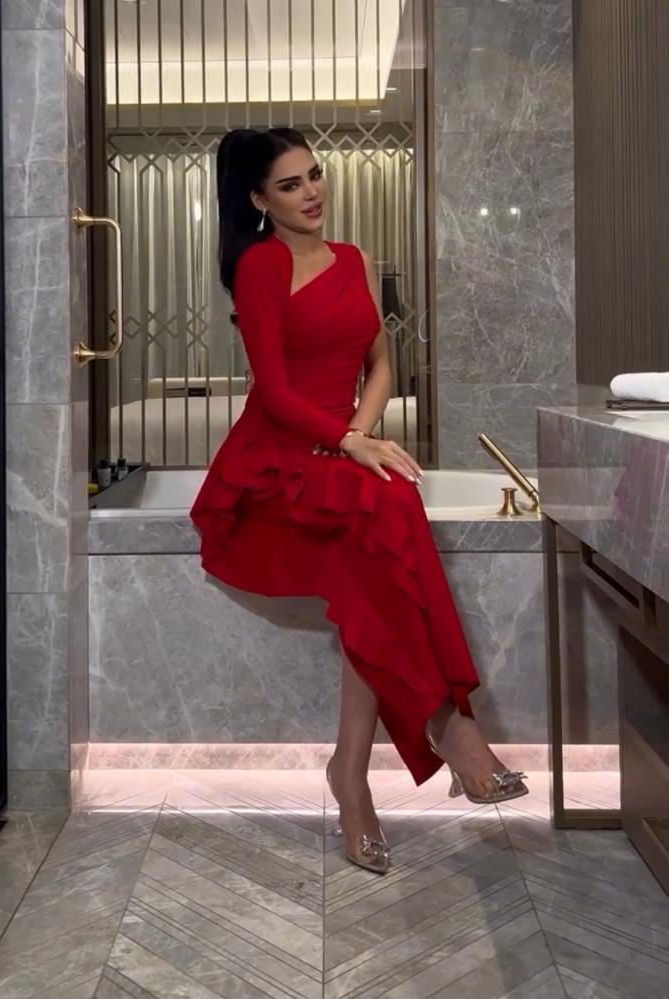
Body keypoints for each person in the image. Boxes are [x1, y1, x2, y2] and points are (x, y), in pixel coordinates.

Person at [190, 127, 527, 875]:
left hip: (337, 443)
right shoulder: (260, 265)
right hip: (275, 457)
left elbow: (381, 363)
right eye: (290, 185)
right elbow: (273, 391)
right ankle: (449, 728)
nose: (312, 192)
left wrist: (358, 436)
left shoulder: (353, 260)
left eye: (314, 175)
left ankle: (354, 771)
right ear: (258, 200)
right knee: (385, 508)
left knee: (381, 518)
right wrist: (343, 441)